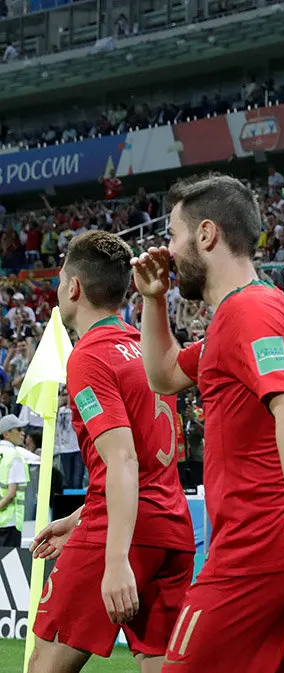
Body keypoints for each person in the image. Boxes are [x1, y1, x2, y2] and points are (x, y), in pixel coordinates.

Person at [129, 174, 284, 672]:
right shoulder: (243, 313)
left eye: (173, 235)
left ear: (206, 234)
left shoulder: (249, 311)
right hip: (283, 544)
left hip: (258, 549)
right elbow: (164, 376)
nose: (168, 251)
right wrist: (153, 298)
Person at [29, 231, 195, 673]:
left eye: (60, 279)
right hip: (172, 529)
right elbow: (143, 461)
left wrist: (117, 559)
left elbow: (123, 459)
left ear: (74, 287)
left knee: (45, 662)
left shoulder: (89, 356)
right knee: (161, 664)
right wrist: (77, 518)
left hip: (120, 533)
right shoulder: (145, 347)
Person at [0, 415, 26, 548]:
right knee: (9, 560)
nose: (23, 433)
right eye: (19, 429)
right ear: (6, 434)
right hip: (9, 522)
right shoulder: (14, 456)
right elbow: (11, 494)